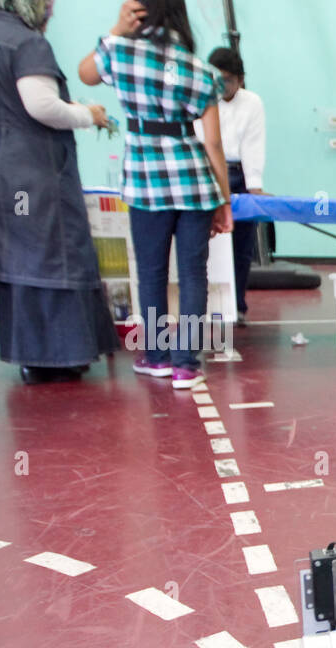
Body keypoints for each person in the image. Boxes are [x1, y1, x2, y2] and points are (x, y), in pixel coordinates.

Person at [78, 0, 232, 390]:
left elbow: (85, 75)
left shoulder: (121, 51)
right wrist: (224, 201)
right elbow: (213, 142)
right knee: (194, 275)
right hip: (194, 184)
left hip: (147, 183)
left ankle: (158, 357)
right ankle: (186, 365)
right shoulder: (200, 69)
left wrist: (116, 29)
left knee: (151, 274)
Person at [0, 0, 116, 384]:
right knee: (47, 252)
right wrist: (90, 115)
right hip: (29, 172)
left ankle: (31, 353)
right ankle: (57, 355)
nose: (51, 7)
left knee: (14, 253)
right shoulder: (26, 43)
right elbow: (41, 106)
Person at [202, 46, 264, 327]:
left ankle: (236, 305)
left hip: (237, 174)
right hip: (205, 172)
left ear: (240, 79)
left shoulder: (252, 103)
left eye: (228, 79)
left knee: (242, 246)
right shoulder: (201, 98)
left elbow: (253, 144)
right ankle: (202, 306)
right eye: (218, 79)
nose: (223, 85)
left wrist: (255, 185)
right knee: (202, 243)